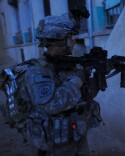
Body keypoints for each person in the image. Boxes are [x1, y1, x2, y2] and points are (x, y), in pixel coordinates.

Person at [0, 7, 102, 156]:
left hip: (75, 133)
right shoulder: (36, 71)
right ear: (59, 40)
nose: (72, 43)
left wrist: (97, 77)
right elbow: (52, 105)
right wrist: (78, 78)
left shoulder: (68, 65)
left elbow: (83, 96)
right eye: (70, 39)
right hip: (55, 141)